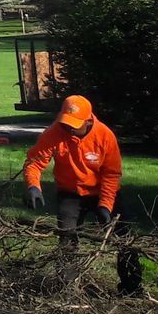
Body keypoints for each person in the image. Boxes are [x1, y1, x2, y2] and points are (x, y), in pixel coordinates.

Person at [23, 93, 122, 245]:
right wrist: (33, 186)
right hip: (70, 193)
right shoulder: (54, 133)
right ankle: (68, 268)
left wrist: (105, 205)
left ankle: (130, 268)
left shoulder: (105, 136)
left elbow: (111, 174)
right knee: (67, 239)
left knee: (123, 236)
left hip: (102, 190)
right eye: (65, 122)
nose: (68, 128)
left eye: (74, 125)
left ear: (88, 122)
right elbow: (34, 162)